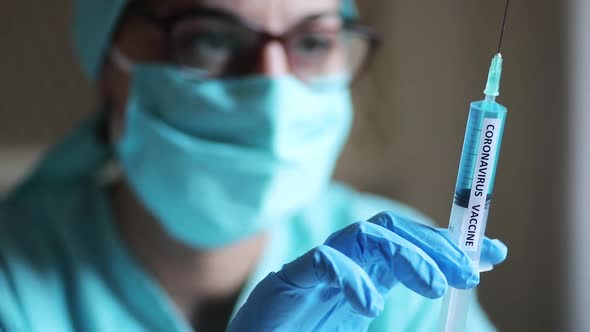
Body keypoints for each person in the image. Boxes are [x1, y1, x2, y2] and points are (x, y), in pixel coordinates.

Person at [0, 0, 508, 331]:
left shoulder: (403, 275)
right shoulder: (14, 283)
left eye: (312, 42)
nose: (273, 89)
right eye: (211, 39)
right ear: (108, 63)